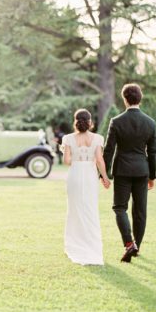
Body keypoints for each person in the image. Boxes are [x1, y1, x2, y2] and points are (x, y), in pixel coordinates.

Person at [103, 83, 156, 263]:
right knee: (140, 211)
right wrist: (152, 176)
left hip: (122, 171)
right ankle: (137, 246)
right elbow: (153, 152)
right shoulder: (150, 123)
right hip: (142, 171)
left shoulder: (116, 121)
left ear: (124, 99)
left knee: (120, 208)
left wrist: (105, 174)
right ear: (140, 98)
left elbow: (108, 150)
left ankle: (129, 243)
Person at [62, 109, 111, 266]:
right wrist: (105, 177)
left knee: (75, 209)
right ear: (90, 122)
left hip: (75, 175)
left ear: (75, 121)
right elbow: (99, 160)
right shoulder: (98, 138)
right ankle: (90, 245)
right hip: (89, 176)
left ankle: (75, 243)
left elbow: (67, 161)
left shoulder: (68, 138)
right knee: (90, 209)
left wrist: (64, 150)